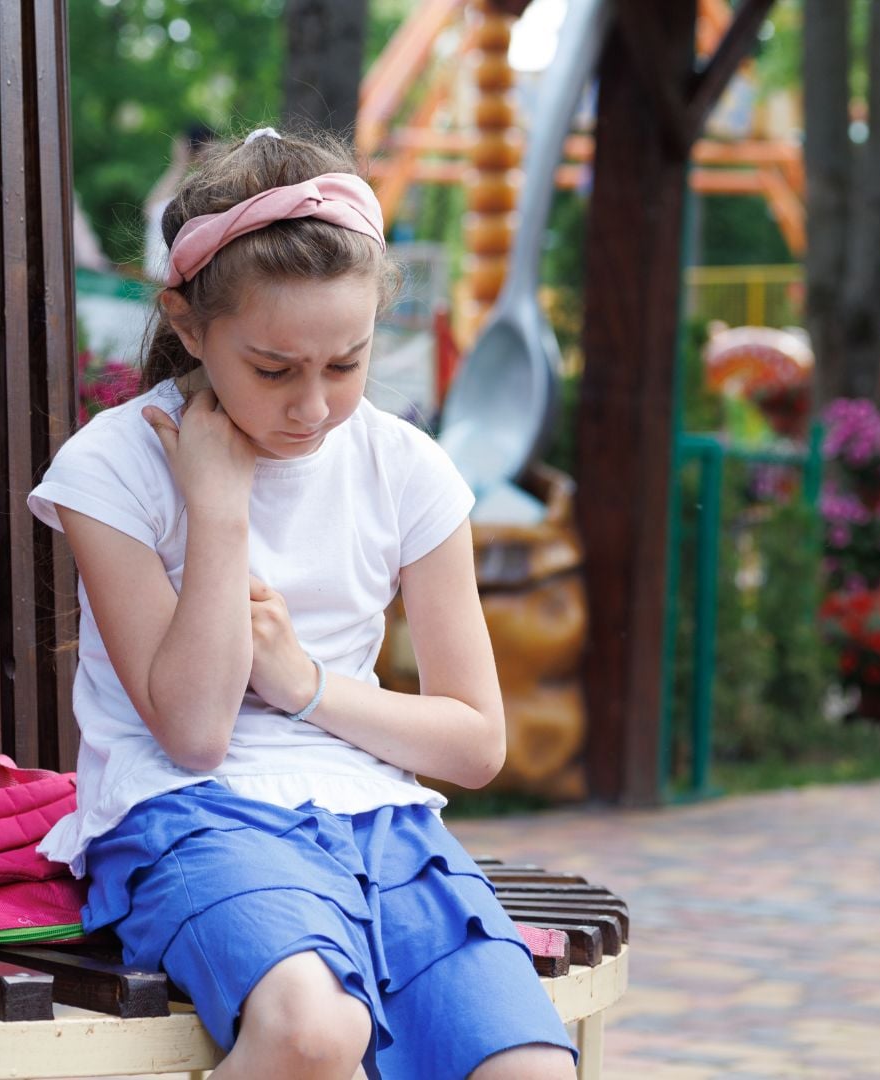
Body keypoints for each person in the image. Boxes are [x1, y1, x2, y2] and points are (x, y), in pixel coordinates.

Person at [28, 126, 577, 1080]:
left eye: (348, 364)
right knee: (315, 1034)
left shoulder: (407, 468)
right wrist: (217, 508)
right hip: (188, 817)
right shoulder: (113, 466)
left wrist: (305, 684)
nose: (314, 408)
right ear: (188, 326)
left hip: (384, 826)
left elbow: (476, 743)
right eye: (274, 370)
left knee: (530, 1069)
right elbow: (195, 733)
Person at [142, 123, 215, 281]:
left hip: (181, 281)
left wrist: (180, 164)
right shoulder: (182, 188)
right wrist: (179, 164)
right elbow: (150, 211)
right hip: (158, 279)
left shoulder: (210, 189)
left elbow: (151, 210)